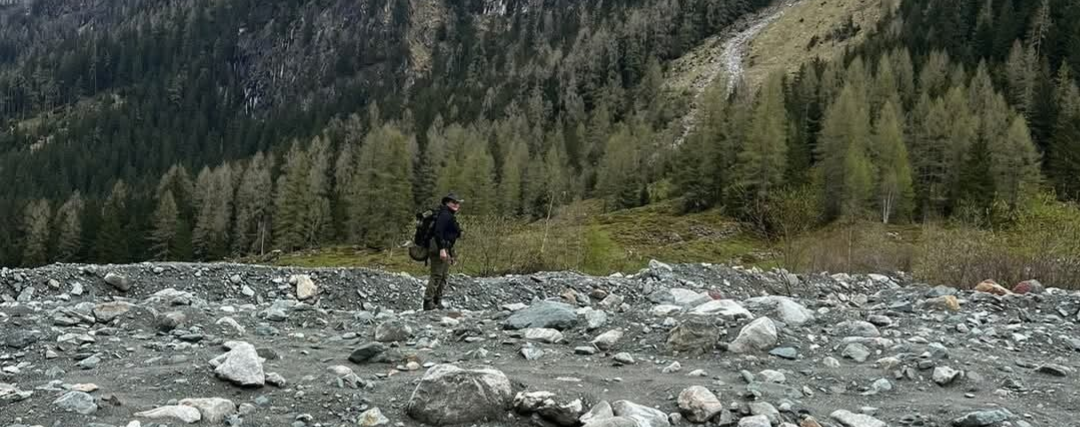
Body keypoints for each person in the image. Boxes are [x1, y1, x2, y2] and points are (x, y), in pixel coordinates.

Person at [424, 193, 463, 310]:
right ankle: (428, 302)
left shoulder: (448, 214)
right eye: (453, 202)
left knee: (444, 276)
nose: (456, 205)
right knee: (437, 275)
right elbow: (438, 232)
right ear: (447, 203)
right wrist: (441, 249)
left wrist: (451, 253)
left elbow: (449, 237)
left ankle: (437, 301)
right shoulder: (445, 214)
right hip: (438, 247)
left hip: (444, 247)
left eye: (457, 203)